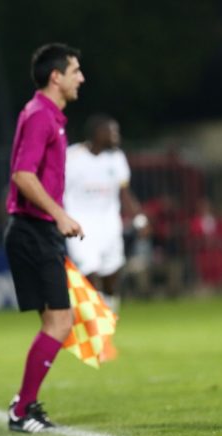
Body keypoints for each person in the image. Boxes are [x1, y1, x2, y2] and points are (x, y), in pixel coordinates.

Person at [3, 43, 84, 433]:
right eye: (75, 71)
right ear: (56, 76)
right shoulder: (41, 116)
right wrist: (60, 214)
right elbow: (23, 175)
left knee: (58, 321)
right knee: (60, 322)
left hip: (37, 230)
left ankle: (25, 405)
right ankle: (21, 410)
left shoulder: (46, 113)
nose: (81, 78)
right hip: (34, 230)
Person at [64, 115, 142, 315]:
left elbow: (125, 192)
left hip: (109, 223)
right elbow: (57, 189)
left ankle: (108, 313)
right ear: (97, 133)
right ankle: (93, 316)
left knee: (112, 272)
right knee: (88, 269)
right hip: (80, 223)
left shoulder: (117, 158)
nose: (116, 136)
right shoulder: (72, 157)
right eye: (112, 132)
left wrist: (139, 219)